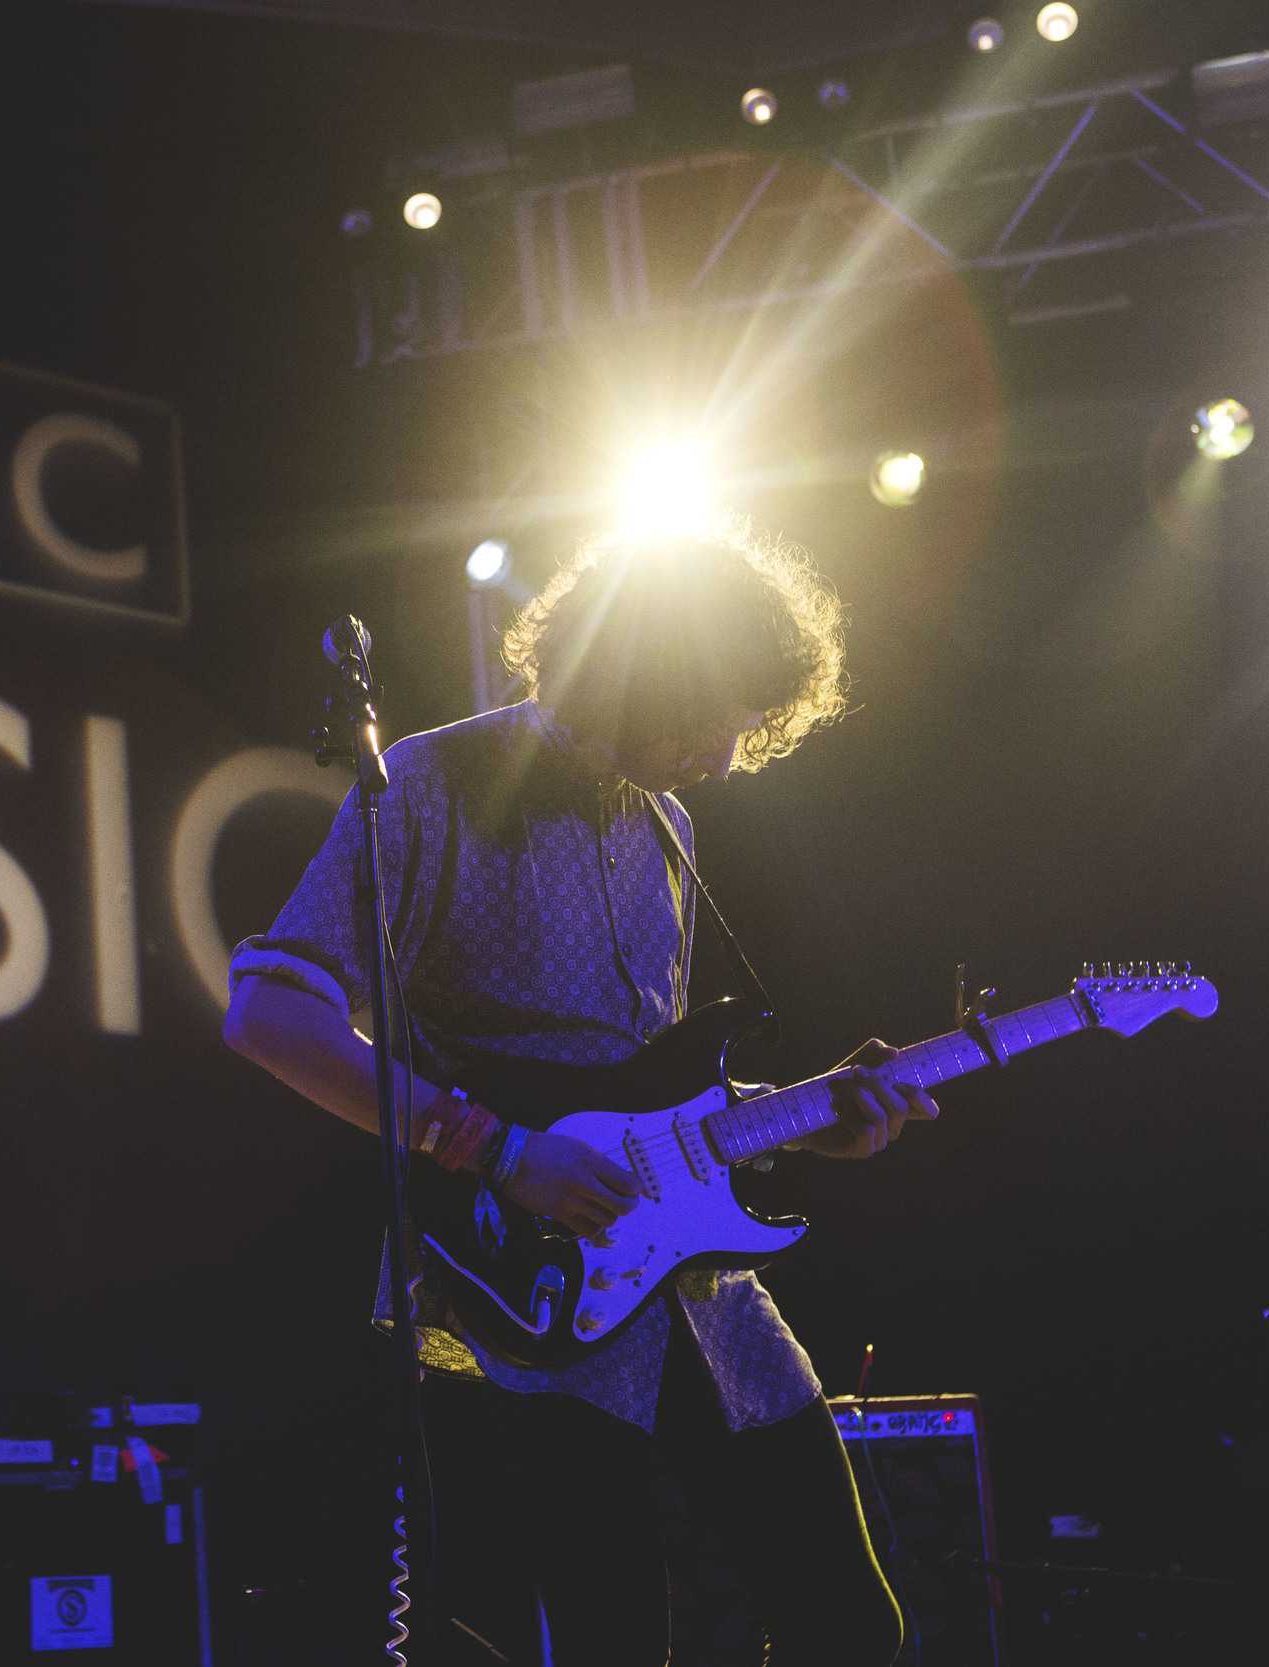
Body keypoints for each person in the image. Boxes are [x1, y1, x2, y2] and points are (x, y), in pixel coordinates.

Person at [222, 522, 936, 1666]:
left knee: (847, 1622)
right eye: (720, 718)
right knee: (604, 1639)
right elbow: (268, 1013)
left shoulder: (670, 824)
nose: (727, 755)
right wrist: (499, 1150)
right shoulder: (424, 782)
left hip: (699, 1294)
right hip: (521, 1296)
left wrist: (803, 1121)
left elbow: (642, 1084)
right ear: (650, 672)